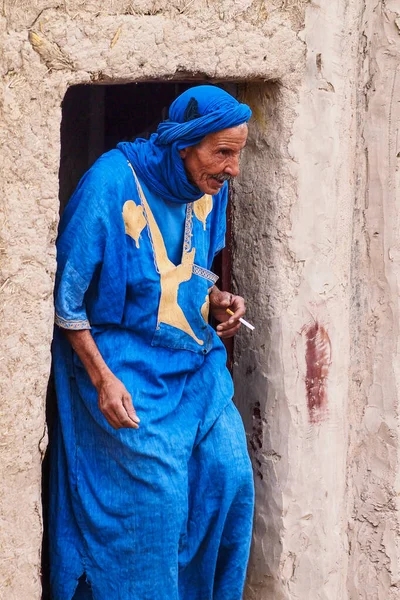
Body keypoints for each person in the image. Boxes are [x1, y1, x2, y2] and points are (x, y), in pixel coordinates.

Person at [50, 85, 254, 600]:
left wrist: (218, 302)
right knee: (158, 502)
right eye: (222, 153)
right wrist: (101, 378)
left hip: (191, 366)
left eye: (238, 153)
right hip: (120, 364)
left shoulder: (209, 189)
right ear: (184, 146)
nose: (232, 168)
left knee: (229, 474)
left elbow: (189, 279)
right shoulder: (112, 182)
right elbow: (66, 302)